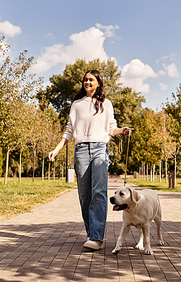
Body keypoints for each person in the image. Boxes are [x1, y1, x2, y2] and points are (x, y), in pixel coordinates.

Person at [49, 70, 131, 251]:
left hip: (100, 150)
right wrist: (56, 149)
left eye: (91, 80)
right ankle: (91, 232)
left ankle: (97, 237)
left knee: (99, 192)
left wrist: (121, 131)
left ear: (98, 83)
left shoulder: (106, 104)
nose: (87, 82)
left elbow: (111, 128)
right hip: (81, 151)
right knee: (85, 195)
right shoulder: (77, 105)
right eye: (85, 80)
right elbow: (69, 131)